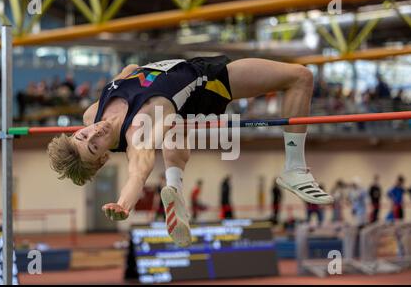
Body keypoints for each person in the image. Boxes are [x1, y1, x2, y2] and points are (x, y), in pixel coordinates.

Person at [47, 56, 333, 247]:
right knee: (301, 76)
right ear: (103, 158)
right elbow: (139, 171)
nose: (94, 133)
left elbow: (128, 71)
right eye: (95, 146)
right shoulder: (138, 133)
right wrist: (123, 204)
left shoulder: (90, 114)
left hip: (185, 84)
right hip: (206, 84)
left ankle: (176, 190)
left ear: (78, 130)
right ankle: (294, 168)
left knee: (172, 127)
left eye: (84, 136)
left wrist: (133, 73)